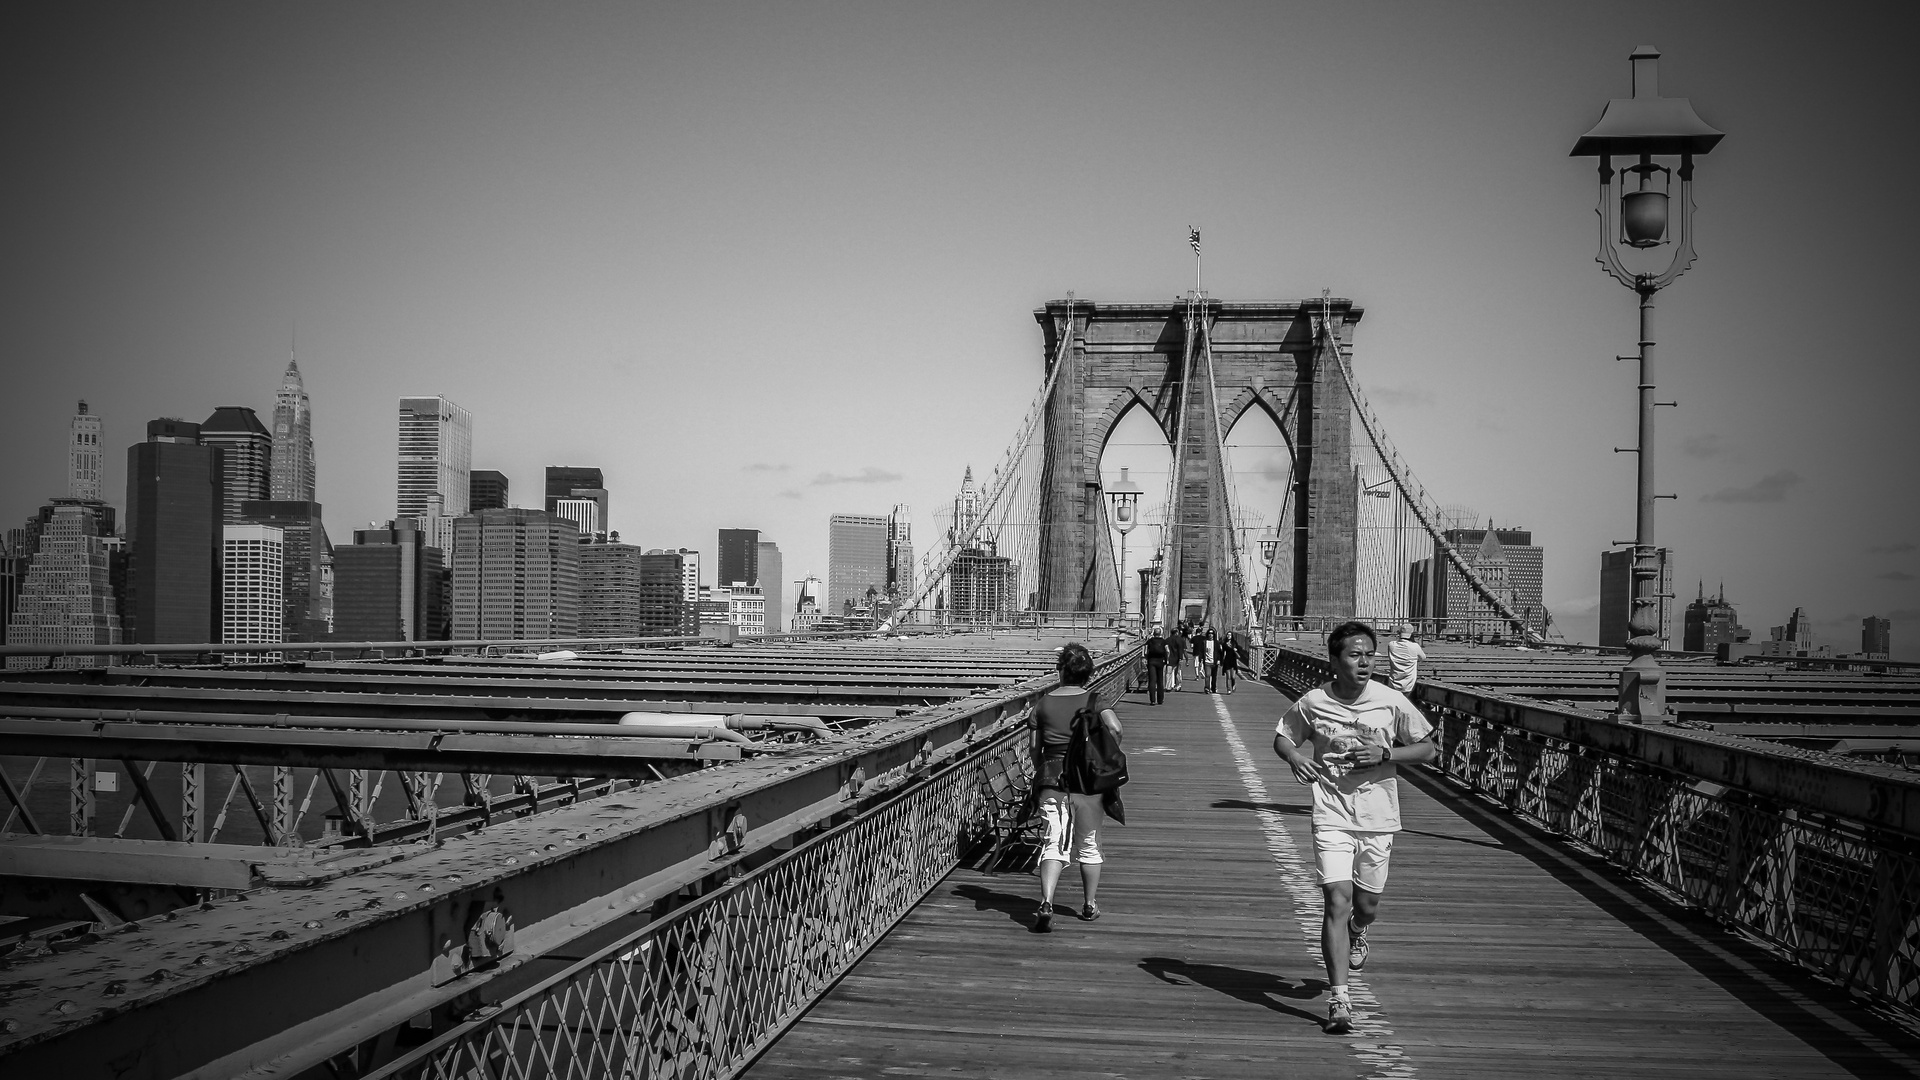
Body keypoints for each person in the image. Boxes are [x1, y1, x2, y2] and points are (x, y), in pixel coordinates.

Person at [1272, 620, 1436, 1035]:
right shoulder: (1313, 701)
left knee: (1364, 907)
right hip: (1331, 812)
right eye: (1354, 655)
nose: (1364, 662)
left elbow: (1430, 749)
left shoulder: (1390, 700)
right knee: (1336, 900)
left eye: (1369, 655)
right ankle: (1339, 999)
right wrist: (1294, 758)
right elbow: (1284, 737)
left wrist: (1386, 753)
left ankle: (1359, 932)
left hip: (1378, 817)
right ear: (1334, 659)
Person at [1031, 642, 1125, 930]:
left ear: (1061, 671)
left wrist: (1044, 769)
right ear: (1088, 673)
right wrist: (1104, 755)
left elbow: (1035, 750)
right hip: (1088, 783)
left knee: (1053, 842)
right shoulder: (1095, 701)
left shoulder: (1042, 704)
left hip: (1052, 781)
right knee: (1089, 844)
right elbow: (1116, 729)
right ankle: (1088, 905)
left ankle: (1046, 901)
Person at [1384, 625, 1429, 693]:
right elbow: (1423, 658)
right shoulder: (1414, 646)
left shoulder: (1392, 645)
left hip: (1393, 683)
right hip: (1408, 684)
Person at [1143, 627, 1168, 706]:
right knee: (1160, 680)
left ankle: (1152, 700)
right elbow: (1167, 650)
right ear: (1160, 633)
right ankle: (1160, 699)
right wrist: (1166, 659)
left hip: (1151, 661)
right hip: (1160, 661)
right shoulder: (1164, 641)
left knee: (1152, 681)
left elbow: (1145, 651)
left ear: (1153, 633)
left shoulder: (1150, 641)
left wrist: (1145, 658)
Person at [1166, 625, 1188, 693]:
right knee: (1178, 672)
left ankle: (1168, 686)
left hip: (1169, 658)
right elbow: (1184, 650)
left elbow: (1166, 649)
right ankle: (1178, 686)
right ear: (1177, 633)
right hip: (1179, 658)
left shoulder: (1167, 640)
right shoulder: (1181, 640)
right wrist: (1185, 659)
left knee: (1168, 673)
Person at [1200, 628, 1220, 693]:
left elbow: (1219, 652)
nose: (1210, 635)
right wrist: (1201, 659)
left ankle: (1213, 688)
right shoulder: (1204, 642)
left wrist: (1219, 659)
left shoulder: (1216, 643)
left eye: (1212, 634)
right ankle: (1207, 688)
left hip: (1214, 661)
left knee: (1214, 676)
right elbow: (1201, 651)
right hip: (1207, 662)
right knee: (1207, 675)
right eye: (1209, 634)